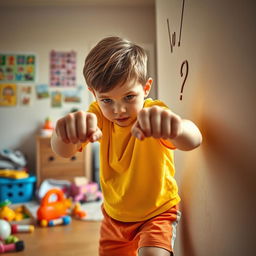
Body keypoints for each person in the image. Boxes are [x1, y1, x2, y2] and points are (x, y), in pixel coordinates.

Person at [51, 36, 202, 256]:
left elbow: (194, 139)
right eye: (107, 100)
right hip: (114, 218)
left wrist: (177, 128)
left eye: (129, 96)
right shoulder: (97, 116)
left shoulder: (153, 114)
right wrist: (63, 133)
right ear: (94, 94)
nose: (118, 110)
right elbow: (62, 151)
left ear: (146, 88)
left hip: (156, 213)